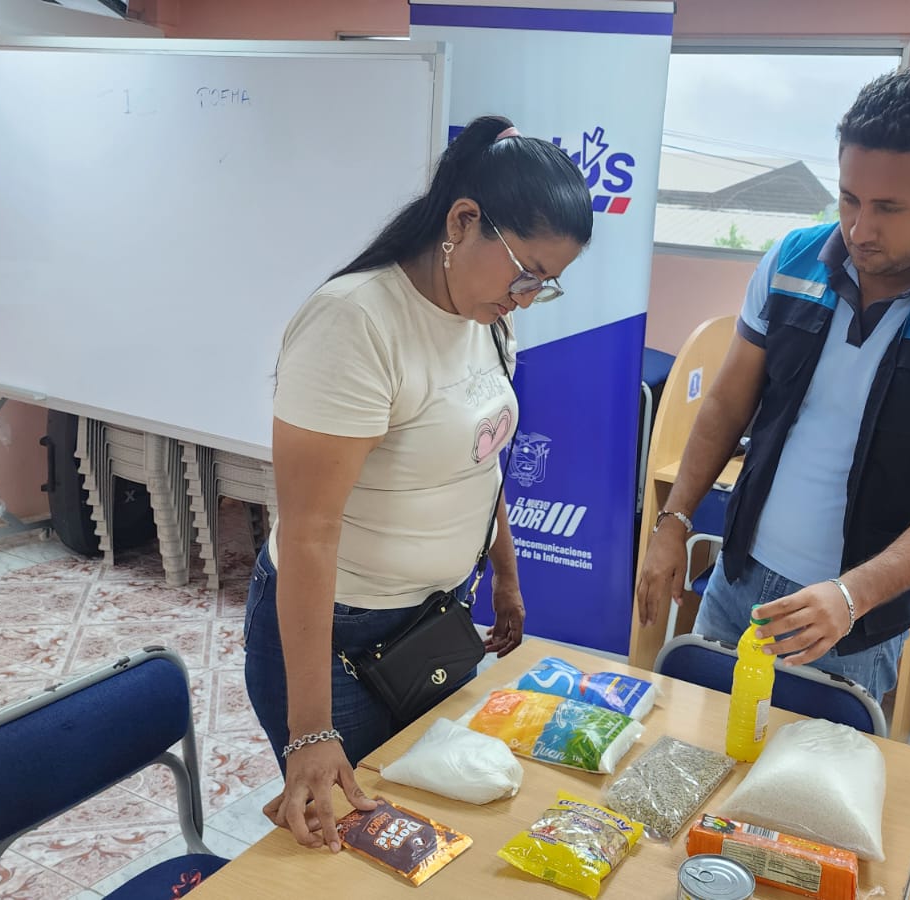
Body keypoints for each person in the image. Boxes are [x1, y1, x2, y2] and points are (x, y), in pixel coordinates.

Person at [244, 115, 593, 852]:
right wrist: (311, 730)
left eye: (546, 284)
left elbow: (481, 460)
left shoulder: (487, 314)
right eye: (526, 273)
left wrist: (505, 575)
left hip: (432, 620)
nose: (528, 297)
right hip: (339, 639)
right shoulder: (355, 324)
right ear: (462, 222)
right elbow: (309, 532)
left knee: (428, 833)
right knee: (353, 844)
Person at [635, 68, 910, 702]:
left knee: (808, 767)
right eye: (849, 199)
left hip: (851, 623)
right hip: (738, 580)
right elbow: (727, 404)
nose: (859, 229)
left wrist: (852, 597)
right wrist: (673, 522)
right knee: (696, 742)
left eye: (888, 208)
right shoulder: (792, 261)